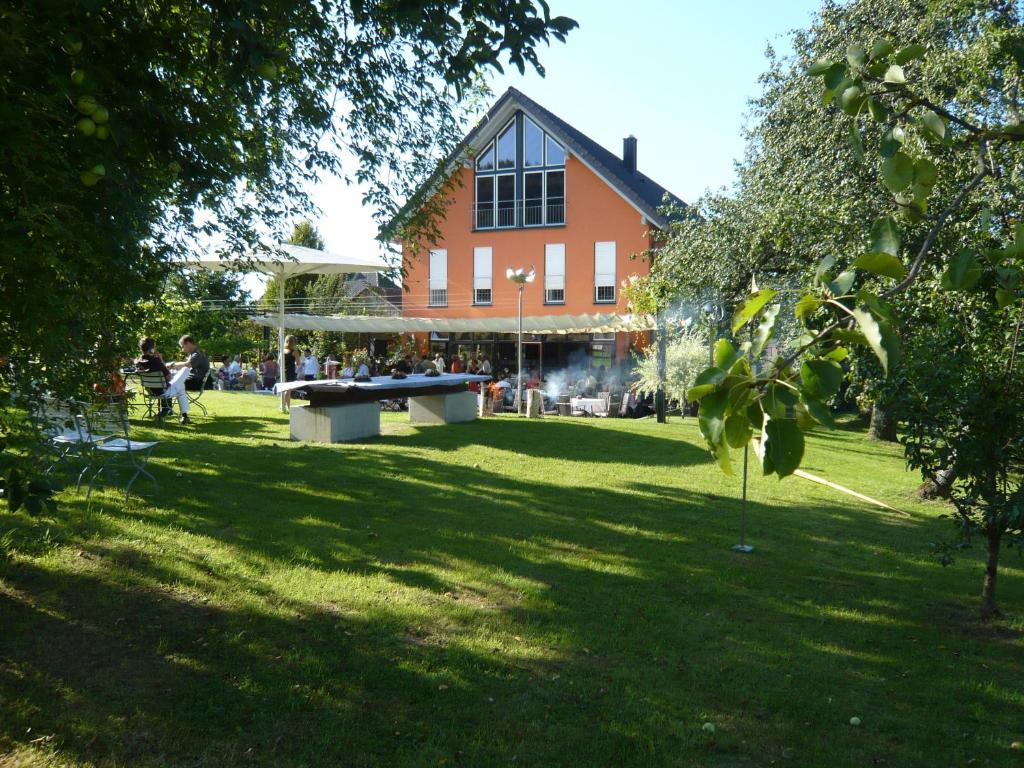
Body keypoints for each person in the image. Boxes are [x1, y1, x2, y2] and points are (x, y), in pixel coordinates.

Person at [135, 336, 191, 424]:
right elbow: (169, 378)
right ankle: (180, 415)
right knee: (185, 370)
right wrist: (161, 361)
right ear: (151, 349)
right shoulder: (156, 360)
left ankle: (171, 412)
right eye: (154, 347)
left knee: (180, 386)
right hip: (164, 391)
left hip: (151, 391)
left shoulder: (139, 362)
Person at [282, 335, 301, 407]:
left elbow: (279, 362)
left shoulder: (282, 351)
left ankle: (283, 404)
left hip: (283, 371)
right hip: (290, 371)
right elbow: (298, 363)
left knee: (284, 389)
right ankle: (288, 406)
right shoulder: (294, 352)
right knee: (288, 390)